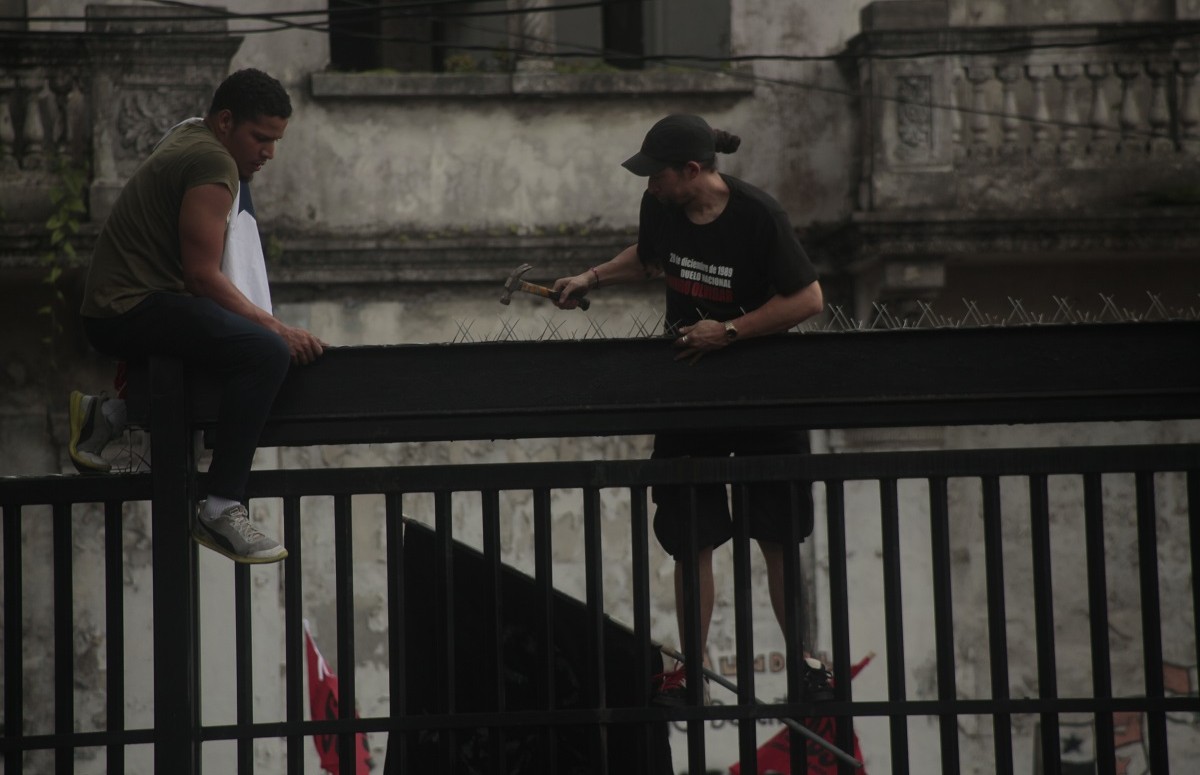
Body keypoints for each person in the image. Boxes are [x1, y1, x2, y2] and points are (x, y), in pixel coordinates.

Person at [553, 114, 831, 704]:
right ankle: (694, 674)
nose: (649, 185)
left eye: (657, 175)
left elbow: (807, 298)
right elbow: (652, 259)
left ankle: (807, 665)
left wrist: (727, 332)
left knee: (778, 534)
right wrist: (591, 278)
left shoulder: (759, 216)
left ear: (693, 170)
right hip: (688, 386)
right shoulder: (662, 209)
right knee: (689, 534)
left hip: (763, 387)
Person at [73, 68, 324, 564]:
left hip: (120, 306)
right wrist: (277, 328)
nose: (268, 153)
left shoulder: (192, 134)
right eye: (260, 138)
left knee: (223, 341)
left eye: (276, 140)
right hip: (127, 309)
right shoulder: (213, 163)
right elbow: (202, 277)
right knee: (262, 352)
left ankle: (106, 416)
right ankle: (221, 507)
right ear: (226, 122)